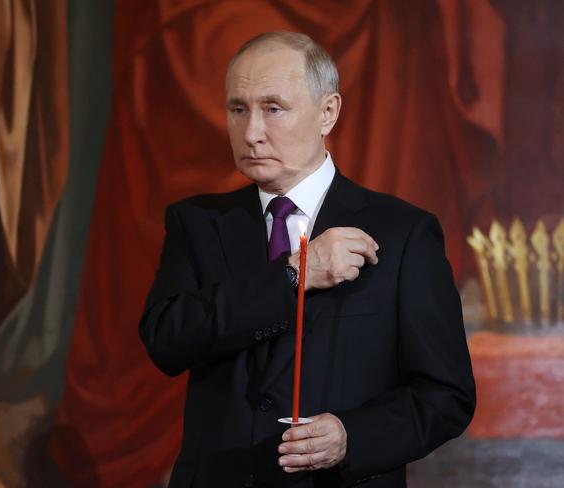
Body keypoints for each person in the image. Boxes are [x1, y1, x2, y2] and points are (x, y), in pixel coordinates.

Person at [140, 31, 476, 487]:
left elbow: (445, 395)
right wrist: (295, 275)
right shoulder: (197, 223)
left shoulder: (403, 232)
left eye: (273, 109)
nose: (252, 132)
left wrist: (349, 436)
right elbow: (167, 341)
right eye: (238, 109)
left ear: (327, 112)